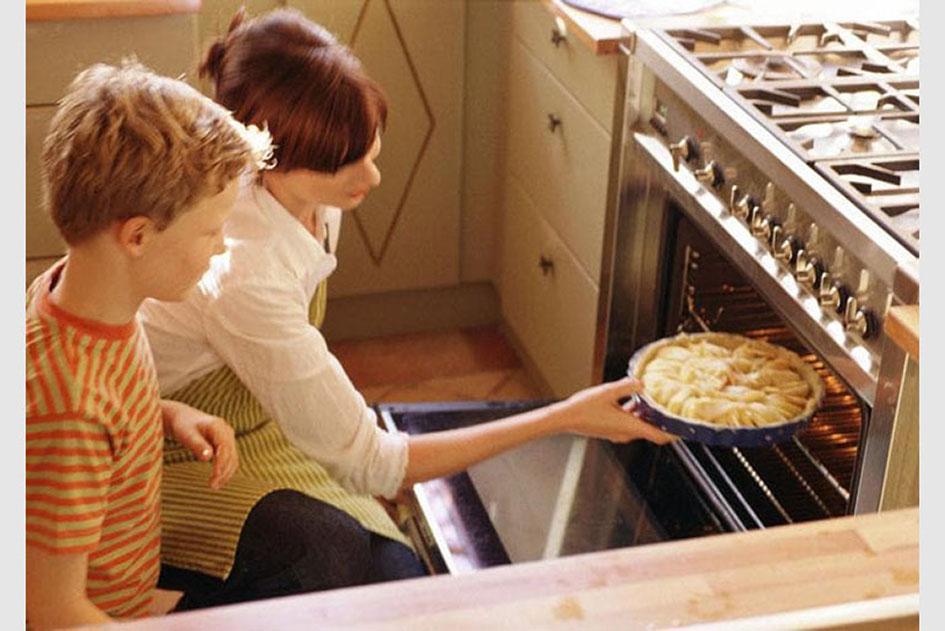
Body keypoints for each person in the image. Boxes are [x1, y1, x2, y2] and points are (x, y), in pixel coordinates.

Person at [140, 8, 673, 611]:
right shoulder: (246, 270)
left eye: (369, 147)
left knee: (402, 581)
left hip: (256, 425)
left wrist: (341, 429)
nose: (371, 175)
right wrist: (561, 416)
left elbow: (320, 404)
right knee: (320, 559)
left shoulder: (305, 195)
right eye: (345, 162)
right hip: (170, 448)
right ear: (269, 159)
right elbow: (379, 466)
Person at [25, 61, 272, 627]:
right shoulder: (70, 407)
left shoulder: (76, 294)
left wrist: (162, 414)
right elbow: (51, 608)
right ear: (137, 236)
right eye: (212, 231)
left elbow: (94, 418)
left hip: (132, 591)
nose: (219, 249)